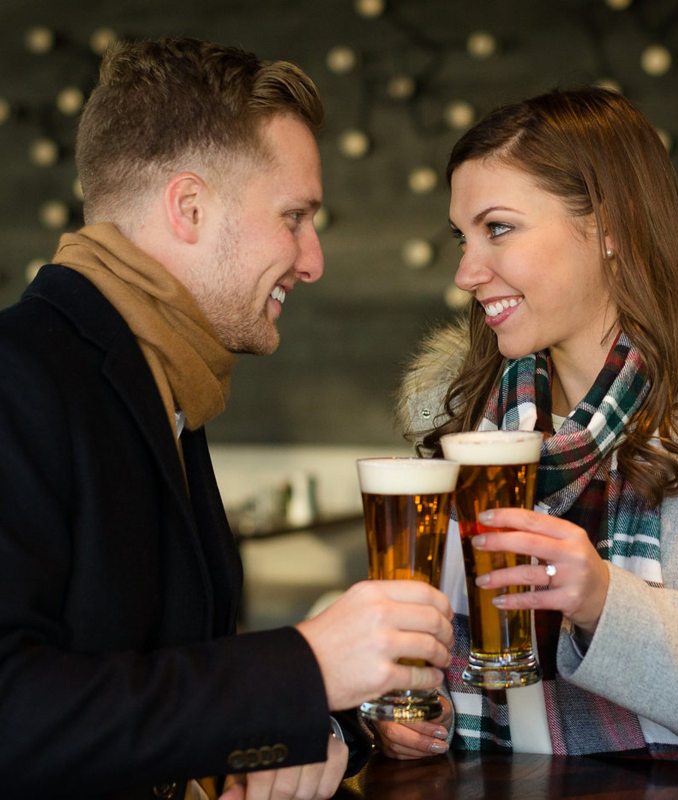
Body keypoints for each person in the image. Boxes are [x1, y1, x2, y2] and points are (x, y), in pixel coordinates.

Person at [0, 37, 454, 800]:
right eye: (294, 216)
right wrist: (303, 667)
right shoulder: (17, 375)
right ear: (190, 207)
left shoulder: (168, 380)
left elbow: (171, 680)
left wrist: (334, 718)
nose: (312, 261)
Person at [376, 87, 678, 765]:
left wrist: (606, 602)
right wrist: (408, 715)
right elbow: (427, 667)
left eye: (499, 228)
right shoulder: (460, 424)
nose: (466, 271)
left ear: (610, 225)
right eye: (463, 236)